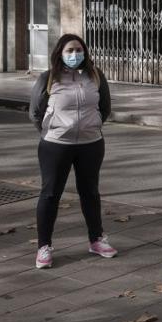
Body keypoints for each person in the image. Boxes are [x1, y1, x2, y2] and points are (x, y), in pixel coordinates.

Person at [28, 34, 114, 269]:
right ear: (60, 53)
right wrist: (53, 131)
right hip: (55, 145)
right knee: (50, 194)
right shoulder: (49, 78)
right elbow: (35, 112)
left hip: (91, 143)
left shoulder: (95, 76)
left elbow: (104, 107)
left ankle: (96, 239)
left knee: (90, 192)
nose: (74, 54)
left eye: (78, 49)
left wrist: (91, 125)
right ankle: (44, 246)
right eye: (69, 50)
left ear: (85, 52)